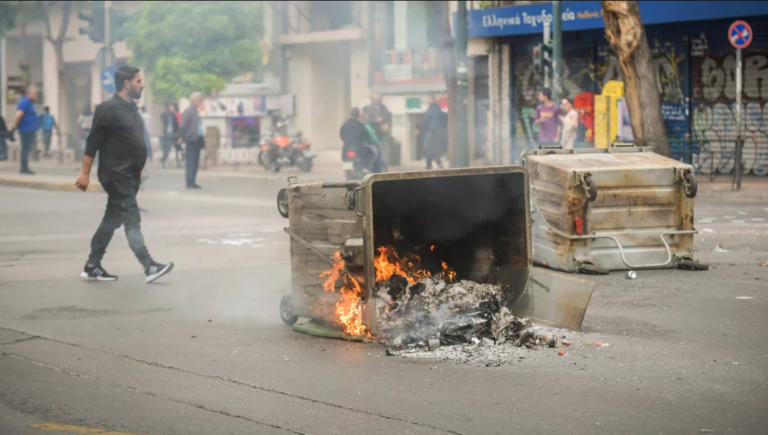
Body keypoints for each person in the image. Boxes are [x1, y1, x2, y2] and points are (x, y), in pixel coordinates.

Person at [75, 65, 174, 283]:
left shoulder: (131, 108)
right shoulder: (107, 108)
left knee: (111, 219)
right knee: (132, 219)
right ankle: (149, 266)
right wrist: (84, 173)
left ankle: (92, 264)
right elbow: (93, 142)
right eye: (138, 81)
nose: (142, 84)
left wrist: (137, 168)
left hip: (129, 175)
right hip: (115, 175)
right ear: (127, 84)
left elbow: (131, 142)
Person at [9, 86, 40, 174]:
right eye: (34, 93)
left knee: (27, 148)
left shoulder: (29, 103)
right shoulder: (25, 102)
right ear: (28, 94)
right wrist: (15, 126)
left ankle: (25, 167)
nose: (36, 95)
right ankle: (24, 168)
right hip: (26, 130)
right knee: (25, 148)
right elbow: (18, 115)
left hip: (30, 129)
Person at [179, 92, 205, 189]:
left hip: (197, 139)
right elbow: (183, 125)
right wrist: (182, 137)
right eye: (198, 100)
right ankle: (189, 181)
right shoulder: (189, 111)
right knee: (191, 161)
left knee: (195, 161)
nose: (200, 102)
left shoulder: (196, 111)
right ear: (193, 101)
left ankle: (193, 181)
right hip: (191, 139)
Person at [419, 95, 447, 170]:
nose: (429, 100)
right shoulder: (433, 109)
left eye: (430, 99)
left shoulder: (434, 110)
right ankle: (429, 164)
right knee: (430, 149)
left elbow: (432, 121)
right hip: (433, 132)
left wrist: (430, 131)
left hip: (433, 132)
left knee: (433, 148)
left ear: (434, 100)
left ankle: (437, 163)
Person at [160, 103, 180, 168]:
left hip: (173, 134)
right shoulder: (164, 115)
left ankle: (177, 162)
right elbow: (163, 123)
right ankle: (164, 161)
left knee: (177, 147)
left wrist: (177, 133)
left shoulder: (173, 115)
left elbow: (176, 125)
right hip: (166, 134)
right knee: (166, 148)